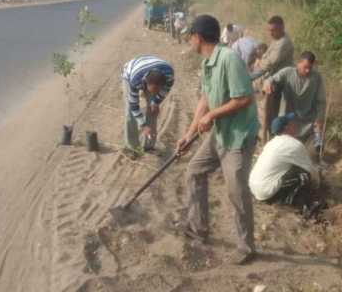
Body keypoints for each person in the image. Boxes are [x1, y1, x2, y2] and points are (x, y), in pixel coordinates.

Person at [176, 15, 260, 265]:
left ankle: (246, 247)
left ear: (198, 37)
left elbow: (244, 98)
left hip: (238, 136)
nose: (189, 40)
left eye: (190, 36)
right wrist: (188, 134)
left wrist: (212, 115)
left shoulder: (229, 59)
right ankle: (198, 227)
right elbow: (205, 99)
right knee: (194, 171)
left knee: (236, 192)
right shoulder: (207, 63)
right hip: (221, 133)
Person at [249, 113, 314, 211]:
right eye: (293, 123)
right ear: (287, 127)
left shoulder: (271, 143)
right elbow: (311, 170)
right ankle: (292, 205)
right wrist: (319, 183)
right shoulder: (294, 144)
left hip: (254, 188)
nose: (296, 125)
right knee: (304, 176)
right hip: (265, 193)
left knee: (291, 171)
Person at [263, 51, 326, 151]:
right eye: (305, 67)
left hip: (307, 121)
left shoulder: (316, 78)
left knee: (310, 150)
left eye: (310, 68)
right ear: (298, 63)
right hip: (287, 121)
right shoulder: (288, 72)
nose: (307, 71)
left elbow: (321, 101)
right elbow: (272, 79)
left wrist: (319, 119)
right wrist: (268, 83)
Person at [121, 56, 175, 156]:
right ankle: (133, 148)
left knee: (152, 110)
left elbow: (165, 90)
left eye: (157, 90)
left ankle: (149, 146)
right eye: (151, 91)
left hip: (154, 71)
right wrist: (143, 125)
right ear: (146, 82)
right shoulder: (135, 80)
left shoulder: (169, 76)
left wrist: (156, 102)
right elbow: (134, 106)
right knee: (130, 113)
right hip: (129, 73)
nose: (153, 93)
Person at [260, 16, 295, 142]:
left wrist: (262, 62)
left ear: (282, 28)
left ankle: (275, 141)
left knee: (278, 115)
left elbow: (269, 62)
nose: (270, 33)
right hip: (273, 83)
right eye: (269, 30)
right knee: (269, 114)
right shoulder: (276, 40)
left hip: (282, 84)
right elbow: (266, 58)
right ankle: (269, 139)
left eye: (273, 30)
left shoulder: (284, 42)